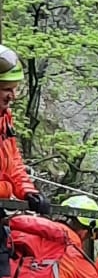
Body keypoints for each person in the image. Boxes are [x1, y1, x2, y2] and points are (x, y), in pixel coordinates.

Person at [0, 47, 38, 210]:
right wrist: (7, 188)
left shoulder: (4, 119)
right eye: (7, 89)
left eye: (14, 88)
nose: (13, 96)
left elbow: (13, 162)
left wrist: (28, 192)